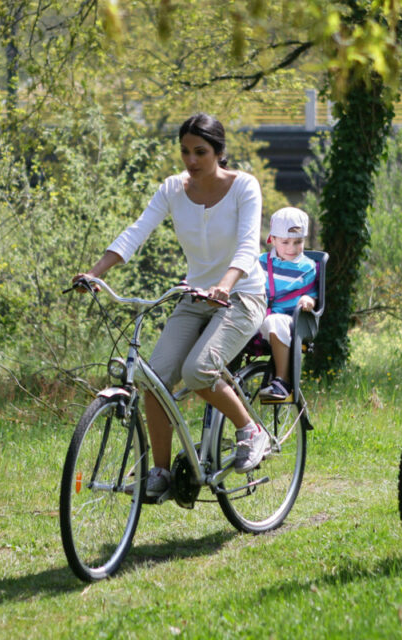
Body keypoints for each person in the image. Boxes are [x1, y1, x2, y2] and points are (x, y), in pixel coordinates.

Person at [73, 113, 270, 499]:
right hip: (194, 295)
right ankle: (160, 472)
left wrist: (225, 285)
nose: (191, 160)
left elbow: (248, 246)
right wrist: (95, 273)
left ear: (219, 152)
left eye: (200, 152)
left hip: (241, 294)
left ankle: (251, 430)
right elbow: (137, 231)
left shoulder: (244, 187)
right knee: (154, 378)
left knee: (199, 370)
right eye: (184, 151)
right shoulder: (172, 189)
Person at [256, 207, 318, 403]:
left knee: (275, 322)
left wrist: (309, 300)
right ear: (272, 239)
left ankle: (282, 380)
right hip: (257, 315)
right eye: (285, 242)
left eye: (298, 242)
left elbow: (312, 294)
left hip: (289, 321)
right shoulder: (260, 262)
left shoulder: (307, 267)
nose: (292, 248)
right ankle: (226, 376)